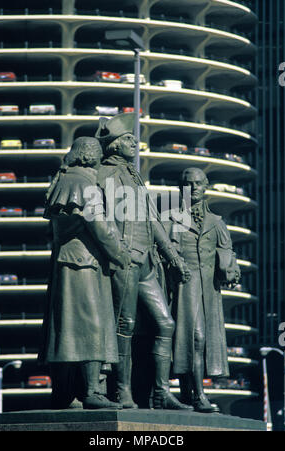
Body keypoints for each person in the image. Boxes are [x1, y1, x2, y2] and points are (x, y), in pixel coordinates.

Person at [95, 113, 191, 410]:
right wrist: (117, 251)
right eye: (128, 139)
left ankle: (161, 393)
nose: (134, 143)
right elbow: (99, 221)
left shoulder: (134, 175)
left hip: (148, 261)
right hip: (125, 261)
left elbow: (152, 218)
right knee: (125, 325)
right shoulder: (103, 175)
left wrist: (173, 256)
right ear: (113, 145)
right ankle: (121, 391)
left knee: (166, 322)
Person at [38, 136, 131, 410]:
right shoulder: (83, 183)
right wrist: (120, 253)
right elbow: (100, 226)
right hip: (84, 265)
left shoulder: (64, 180)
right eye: (98, 156)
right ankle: (92, 391)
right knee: (92, 326)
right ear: (89, 156)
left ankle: (64, 393)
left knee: (65, 330)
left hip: (67, 264)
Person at [168, 167, 241, 412]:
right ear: (182, 188)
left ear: (206, 185)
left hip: (208, 291)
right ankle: (195, 395)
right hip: (183, 289)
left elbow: (229, 251)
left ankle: (191, 393)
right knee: (191, 339)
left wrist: (231, 269)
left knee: (199, 340)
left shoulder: (216, 222)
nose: (194, 188)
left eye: (198, 183)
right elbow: (165, 251)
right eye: (188, 184)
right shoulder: (173, 218)